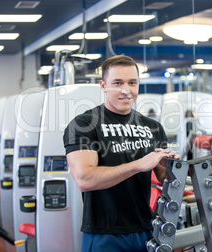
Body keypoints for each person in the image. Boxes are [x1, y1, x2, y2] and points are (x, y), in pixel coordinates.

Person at [63, 55, 178, 252]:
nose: (126, 90)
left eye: (132, 83)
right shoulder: (84, 125)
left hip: (146, 228)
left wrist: (175, 166)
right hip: (105, 233)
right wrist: (138, 165)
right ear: (103, 85)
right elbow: (85, 179)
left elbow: (162, 177)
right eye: (118, 83)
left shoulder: (152, 127)